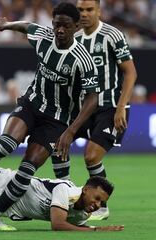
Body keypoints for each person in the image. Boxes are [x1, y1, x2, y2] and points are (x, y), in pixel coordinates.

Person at [0, 2, 100, 230]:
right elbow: (27, 26)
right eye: (56, 25)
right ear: (52, 24)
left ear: (76, 27)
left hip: (56, 120)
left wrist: (71, 130)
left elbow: (93, 98)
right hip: (31, 104)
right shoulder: (44, 37)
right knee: (5, 144)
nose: (60, 30)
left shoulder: (83, 60)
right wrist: (6, 25)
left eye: (66, 26)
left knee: (27, 168)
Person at [52, 0, 137, 221]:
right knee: (57, 144)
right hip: (83, 108)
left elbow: (130, 73)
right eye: (80, 10)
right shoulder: (75, 38)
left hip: (110, 107)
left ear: (99, 10)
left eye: (89, 9)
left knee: (91, 156)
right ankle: (68, 196)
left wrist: (121, 107)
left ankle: (101, 206)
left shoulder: (112, 35)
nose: (84, 14)